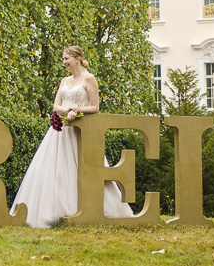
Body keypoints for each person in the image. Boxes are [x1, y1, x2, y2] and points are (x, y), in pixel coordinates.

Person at [10, 45, 135, 229]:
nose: (64, 62)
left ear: (78, 58)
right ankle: (54, 212)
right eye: (63, 59)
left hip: (80, 132)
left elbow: (95, 107)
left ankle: (94, 209)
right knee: (58, 172)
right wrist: (67, 109)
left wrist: (78, 110)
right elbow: (56, 107)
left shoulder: (89, 79)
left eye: (67, 59)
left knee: (84, 168)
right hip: (60, 132)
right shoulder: (64, 80)